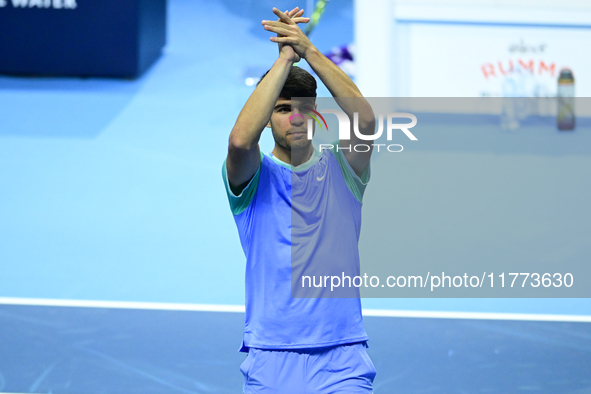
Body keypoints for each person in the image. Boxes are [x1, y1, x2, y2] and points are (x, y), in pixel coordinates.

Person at [222, 6, 377, 393]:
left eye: (302, 109)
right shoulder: (252, 180)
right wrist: (284, 60)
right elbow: (241, 140)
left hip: (343, 358)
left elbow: (366, 121)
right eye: (281, 109)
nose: (294, 118)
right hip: (270, 356)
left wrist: (307, 50)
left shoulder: (344, 172)